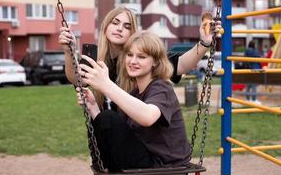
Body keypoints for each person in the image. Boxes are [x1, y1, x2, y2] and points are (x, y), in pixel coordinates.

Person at [59, 7, 222, 110]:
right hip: (105, 139)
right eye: (115, 23)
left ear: (132, 33)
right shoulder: (96, 59)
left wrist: (204, 43)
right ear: (106, 26)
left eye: (127, 26)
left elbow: (180, 65)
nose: (120, 28)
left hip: (135, 139)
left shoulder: (139, 61)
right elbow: (77, 79)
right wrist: (69, 52)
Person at [77, 31, 191, 172]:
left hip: (166, 168)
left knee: (109, 118)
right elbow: (119, 133)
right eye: (130, 55)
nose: (132, 61)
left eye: (141, 57)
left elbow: (148, 117)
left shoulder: (162, 88)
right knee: (106, 120)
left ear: (155, 62)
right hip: (146, 163)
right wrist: (93, 107)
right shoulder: (135, 94)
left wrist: (106, 85)